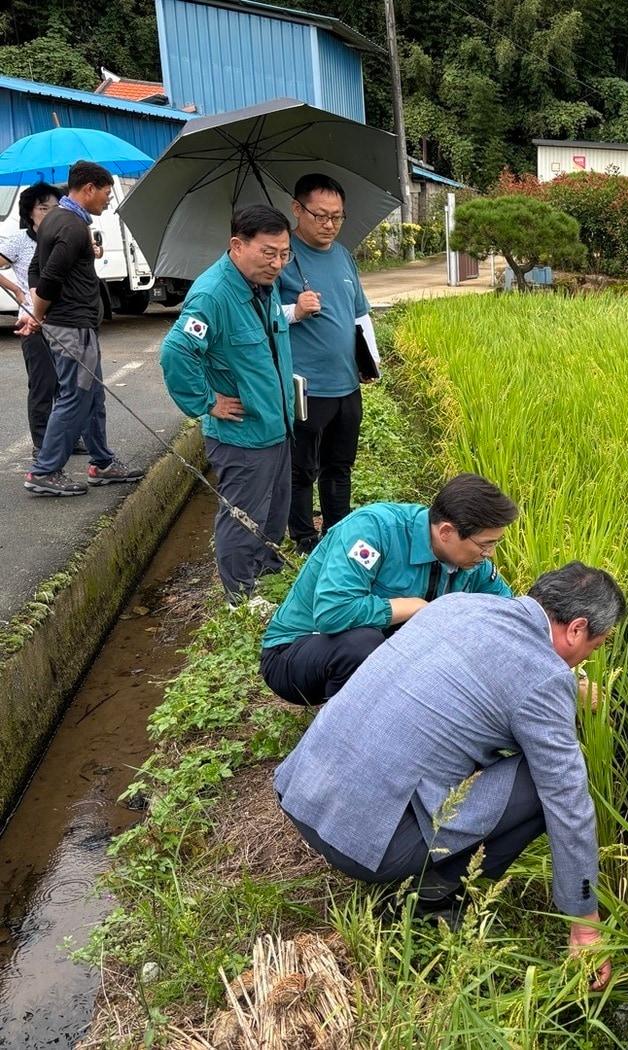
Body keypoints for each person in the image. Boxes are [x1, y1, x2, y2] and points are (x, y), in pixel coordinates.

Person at [274, 561, 625, 989]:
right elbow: (569, 803)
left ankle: (425, 870)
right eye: (596, 645)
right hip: (359, 847)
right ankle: (437, 899)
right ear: (576, 629)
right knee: (545, 786)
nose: (588, 658)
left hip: (301, 793)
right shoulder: (545, 677)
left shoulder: (457, 605)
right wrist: (585, 920)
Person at [259, 472, 518, 705]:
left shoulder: (472, 561)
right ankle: (343, 737)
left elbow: (509, 615)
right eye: (485, 544)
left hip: (383, 651)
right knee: (362, 645)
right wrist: (414, 607)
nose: (489, 553)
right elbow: (332, 613)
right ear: (447, 532)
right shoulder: (375, 531)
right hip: (297, 653)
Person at [160, 205, 296, 601]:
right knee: (243, 519)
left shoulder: (261, 288)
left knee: (273, 514)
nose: (277, 263)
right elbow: (176, 352)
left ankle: (269, 575)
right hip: (242, 436)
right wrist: (207, 401)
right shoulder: (213, 294)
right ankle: (241, 595)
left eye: (284, 253)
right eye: (268, 252)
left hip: (276, 426)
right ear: (237, 245)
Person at [19, 162, 143, 496]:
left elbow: (35, 269)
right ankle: (44, 471)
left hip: (76, 324)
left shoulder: (55, 220)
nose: (108, 200)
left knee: (92, 396)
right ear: (88, 188)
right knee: (74, 396)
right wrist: (38, 315)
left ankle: (102, 462)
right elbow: (50, 277)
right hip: (72, 327)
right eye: (106, 192)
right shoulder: (71, 225)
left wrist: (37, 311)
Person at [277, 173, 373, 554]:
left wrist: (370, 362)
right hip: (306, 386)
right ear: (297, 209)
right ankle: (303, 538)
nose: (329, 224)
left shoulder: (343, 254)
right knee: (301, 468)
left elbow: (360, 315)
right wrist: (295, 310)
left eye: (337, 216)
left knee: (340, 465)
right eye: (320, 215)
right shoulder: (282, 257)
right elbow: (259, 316)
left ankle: (337, 531)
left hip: (346, 384)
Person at [0, 182, 62, 454]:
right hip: (31, 323)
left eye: (55, 208)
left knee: (67, 385)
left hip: (63, 322)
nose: (49, 213)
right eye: (43, 207)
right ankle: (42, 444)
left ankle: (67, 438)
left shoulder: (62, 236)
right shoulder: (19, 240)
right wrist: (15, 289)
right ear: (30, 212)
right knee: (43, 383)